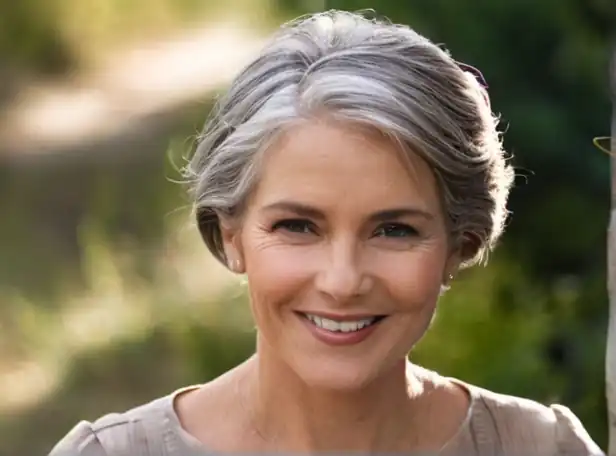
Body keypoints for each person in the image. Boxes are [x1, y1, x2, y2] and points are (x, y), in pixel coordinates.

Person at [49, 9, 604, 456]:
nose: (342, 281)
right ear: (230, 233)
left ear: (460, 243)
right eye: (297, 226)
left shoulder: (540, 447)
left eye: (394, 230)